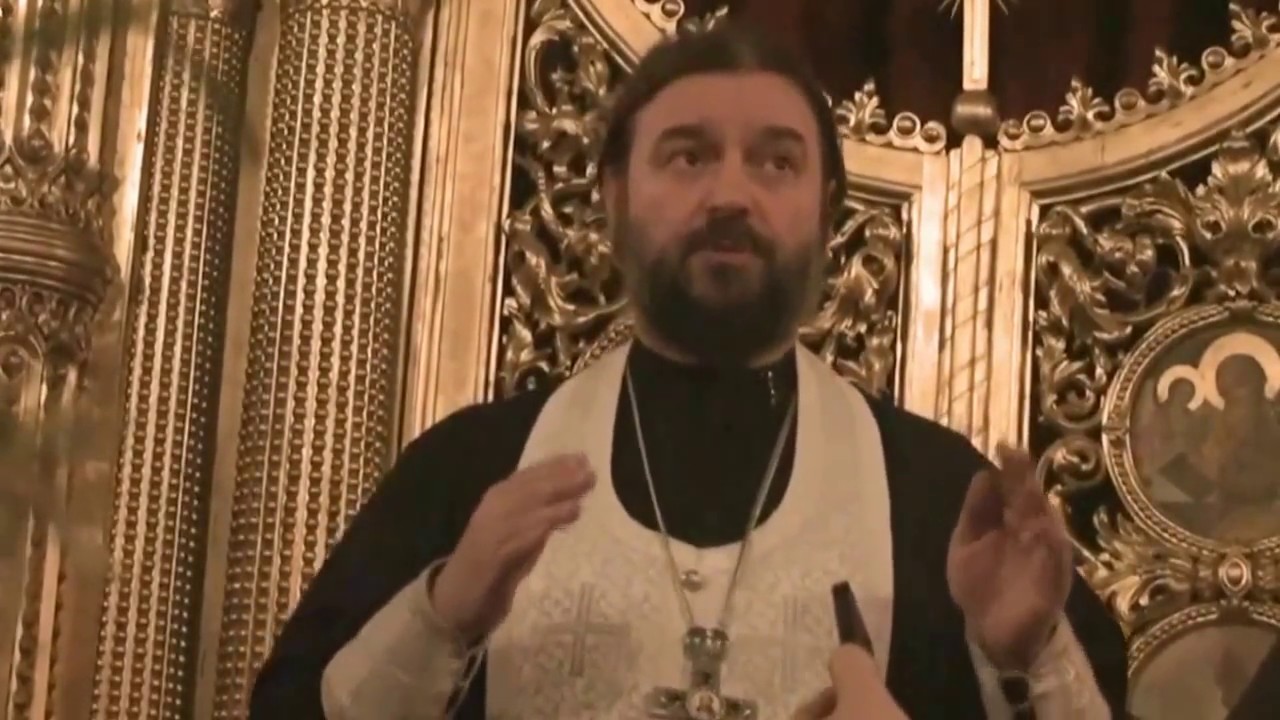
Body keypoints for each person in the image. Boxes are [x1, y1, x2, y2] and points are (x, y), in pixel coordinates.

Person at [249, 22, 1128, 720]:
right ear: (613, 196)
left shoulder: (939, 504)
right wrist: (441, 617)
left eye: (776, 161)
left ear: (827, 211)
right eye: (688, 155)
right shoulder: (472, 474)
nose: (730, 196)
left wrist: (1025, 660)